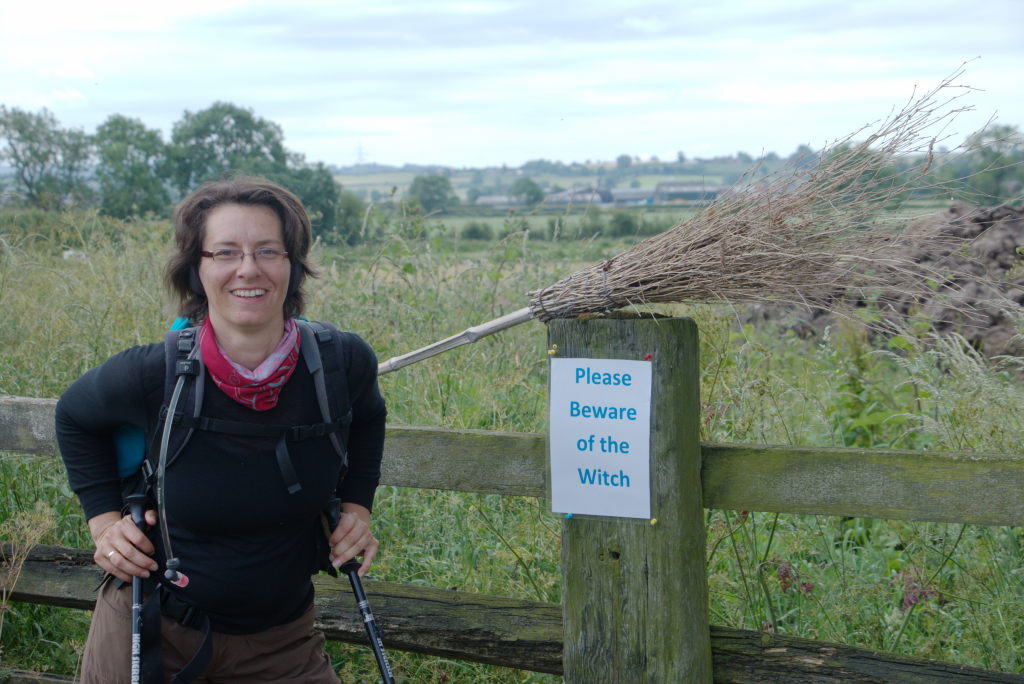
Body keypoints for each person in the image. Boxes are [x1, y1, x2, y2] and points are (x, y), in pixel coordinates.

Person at [55, 177, 387, 683]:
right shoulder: (153, 373)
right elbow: (74, 416)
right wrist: (103, 524)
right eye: (225, 252)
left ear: (293, 264)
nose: (248, 269)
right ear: (197, 267)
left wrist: (358, 508)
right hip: (150, 624)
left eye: (268, 250)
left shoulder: (342, 363)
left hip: (282, 640)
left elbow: (368, 420)